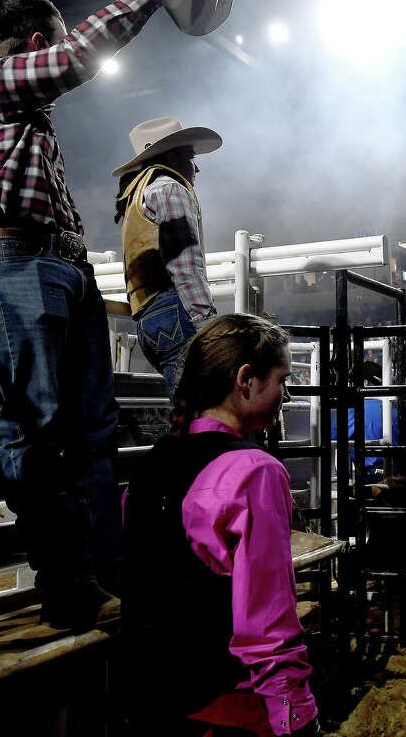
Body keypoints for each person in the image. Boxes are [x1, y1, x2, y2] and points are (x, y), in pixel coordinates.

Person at [0, 0, 200, 630]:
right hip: (18, 264)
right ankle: (66, 583)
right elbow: (72, 59)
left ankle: (105, 574)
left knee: (90, 429)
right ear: (32, 43)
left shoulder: (22, 122)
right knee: (42, 429)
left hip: (57, 267)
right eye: (48, 50)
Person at [123, 313, 320, 736]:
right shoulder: (253, 471)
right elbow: (266, 622)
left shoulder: (149, 467)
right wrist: (297, 714)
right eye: (282, 379)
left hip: (150, 700)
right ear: (246, 379)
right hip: (229, 706)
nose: (286, 393)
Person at [113, 116, 221, 392]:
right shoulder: (171, 188)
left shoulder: (137, 195)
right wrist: (208, 327)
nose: (196, 167)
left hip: (147, 318)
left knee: (187, 405)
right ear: (173, 158)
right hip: (176, 311)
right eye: (190, 157)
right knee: (202, 405)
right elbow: (184, 264)